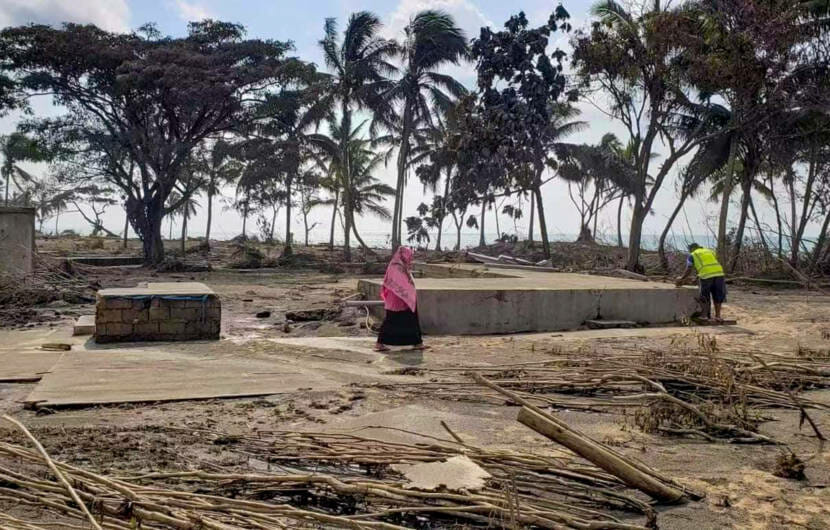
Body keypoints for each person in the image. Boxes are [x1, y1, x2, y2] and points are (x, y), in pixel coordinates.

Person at [375, 246, 426, 352]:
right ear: (403, 255)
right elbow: (398, 283)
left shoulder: (403, 266)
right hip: (396, 299)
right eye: (409, 256)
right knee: (391, 320)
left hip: (406, 299)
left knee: (411, 319)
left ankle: (418, 343)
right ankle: (379, 344)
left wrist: (409, 293)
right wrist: (407, 293)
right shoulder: (395, 266)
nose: (410, 258)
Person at [676, 243, 727, 322]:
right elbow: (708, 265)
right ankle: (718, 316)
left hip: (706, 276)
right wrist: (697, 277)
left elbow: (689, 269)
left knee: (704, 296)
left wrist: (681, 278)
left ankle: (704, 316)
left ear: (692, 249)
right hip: (719, 274)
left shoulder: (692, 255)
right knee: (718, 296)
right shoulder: (710, 251)